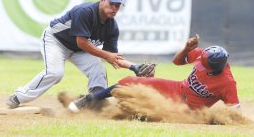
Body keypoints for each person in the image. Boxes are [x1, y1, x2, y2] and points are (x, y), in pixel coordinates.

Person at [6, 0, 146, 109]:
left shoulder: (112, 27)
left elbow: (113, 57)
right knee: (55, 73)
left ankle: (96, 102)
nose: (114, 8)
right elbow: (82, 43)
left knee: (97, 67)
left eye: (118, 5)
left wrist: (134, 67)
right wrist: (107, 55)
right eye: (112, 3)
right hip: (56, 41)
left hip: (79, 50)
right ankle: (19, 96)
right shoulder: (85, 11)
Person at [67, 34, 240, 112]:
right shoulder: (204, 56)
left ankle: (110, 110)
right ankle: (91, 99)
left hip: (187, 108)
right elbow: (177, 62)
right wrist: (186, 49)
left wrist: (214, 118)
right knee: (131, 80)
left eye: (204, 66)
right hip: (177, 88)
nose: (200, 65)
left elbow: (235, 114)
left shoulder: (227, 84)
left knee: (148, 111)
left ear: (216, 68)